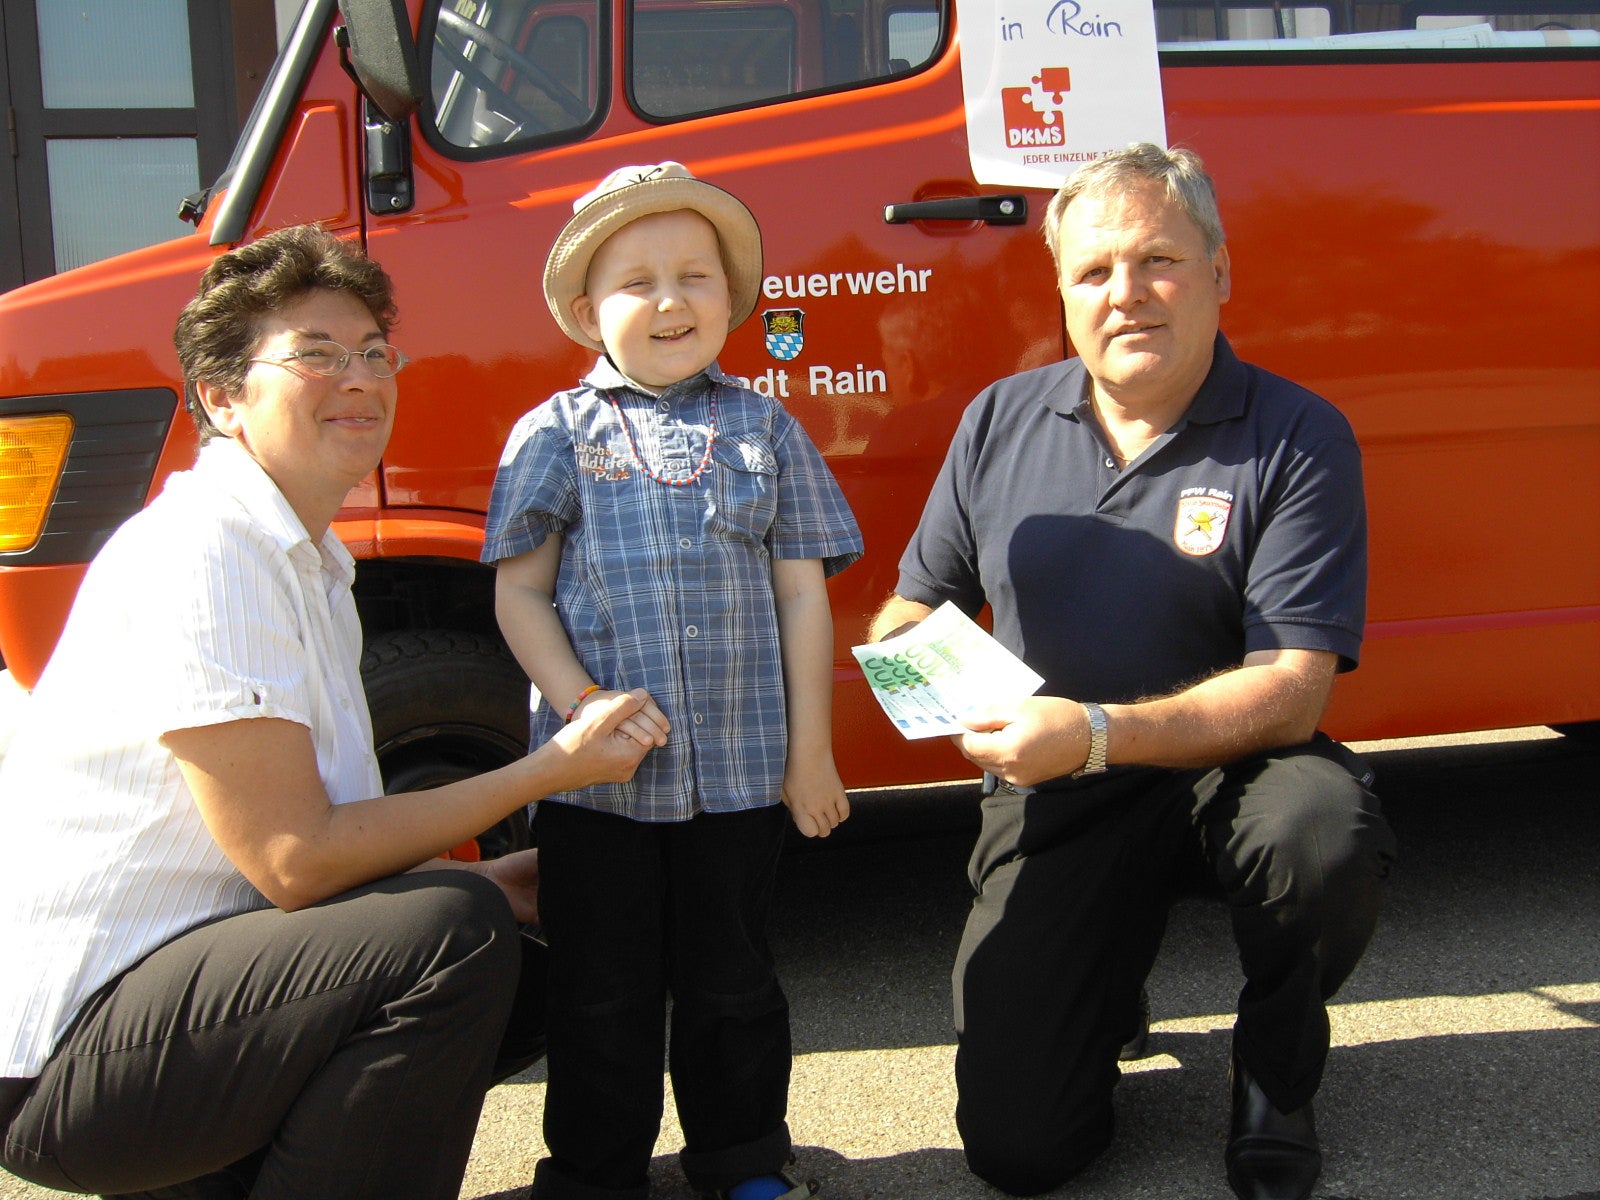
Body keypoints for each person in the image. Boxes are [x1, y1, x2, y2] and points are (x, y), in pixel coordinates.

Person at [0, 224, 661, 1200]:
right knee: (452, 937)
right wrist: (550, 769)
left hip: (164, 1004)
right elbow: (294, 860)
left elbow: (303, 848)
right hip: (67, 1060)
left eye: (372, 353)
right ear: (223, 397)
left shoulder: (307, 560)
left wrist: (480, 866)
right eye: (315, 354)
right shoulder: (209, 550)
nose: (358, 378)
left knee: (514, 934)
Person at [868, 144, 1397, 1200]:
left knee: (1319, 835)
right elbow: (910, 604)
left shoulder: (1296, 434)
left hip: (1234, 771)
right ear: (1061, 291)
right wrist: (921, 675)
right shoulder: (998, 420)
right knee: (1021, 1153)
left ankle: (1273, 1067)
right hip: (1058, 787)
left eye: (1158, 259)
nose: (1127, 293)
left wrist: (1099, 731)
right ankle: (1098, 989)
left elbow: (1294, 688)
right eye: (1094, 270)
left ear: (1218, 272)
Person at [483, 162, 863, 1200]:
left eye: (695, 276)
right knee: (599, 993)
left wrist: (811, 753)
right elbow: (519, 597)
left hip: (740, 779)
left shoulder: (767, 430)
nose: (668, 301)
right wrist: (578, 703)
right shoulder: (553, 434)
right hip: (595, 787)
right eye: (636, 281)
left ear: (731, 300)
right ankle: (595, 1172)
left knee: (732, 982)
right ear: (581, 310)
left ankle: (741, 1158)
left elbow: (801, 599)